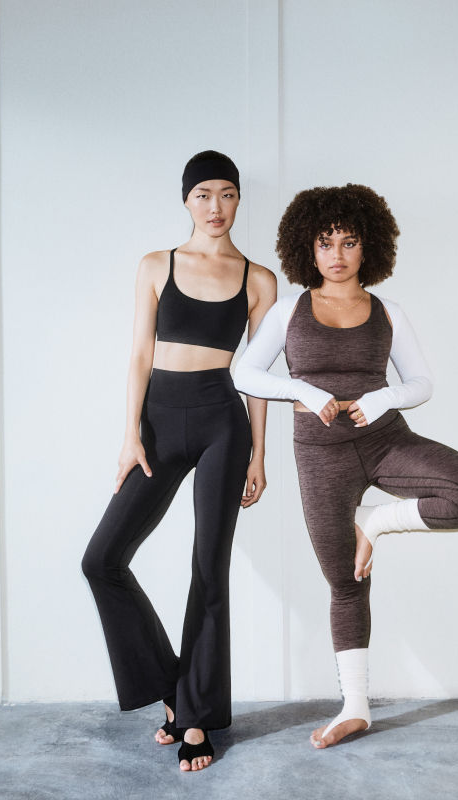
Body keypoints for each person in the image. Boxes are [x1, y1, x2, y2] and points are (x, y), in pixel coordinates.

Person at [233, 183, 458, 750]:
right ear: (307, 248)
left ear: (368, 247)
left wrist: (384, 398)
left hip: (385, 441)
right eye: (325, 243)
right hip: (321, 454)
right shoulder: (289, 311)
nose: (337, 254)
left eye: (349, 242)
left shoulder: (389, 312)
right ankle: (355, 709)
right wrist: (303, 391)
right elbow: (245, 373)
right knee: (345, 580)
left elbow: (421, 382)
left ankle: (374, 521)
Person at [82, 150, 276, 772]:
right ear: (186, 200)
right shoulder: (156, 265)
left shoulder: (259, 280)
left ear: (238, 199)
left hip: (222, 421)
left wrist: (259, 453)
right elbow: (140, 354)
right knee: (102, 560)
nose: (215, 207)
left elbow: (256, 377)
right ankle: (175, 689)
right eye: (203, 195)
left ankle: (194, 717)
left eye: (227, 194)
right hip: (159, 421)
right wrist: (130, 435)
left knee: (208, 570)